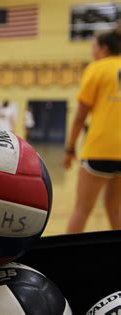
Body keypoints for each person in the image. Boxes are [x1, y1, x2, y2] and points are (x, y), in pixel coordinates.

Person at [64, 26, 121, 233]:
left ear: (104, 48)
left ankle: (67, 258)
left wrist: (70, 148)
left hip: (99, 147)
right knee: (115, 210)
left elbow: (80, 115)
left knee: (81, 209)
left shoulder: (97, 68)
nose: (92, 52)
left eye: (94, 47)